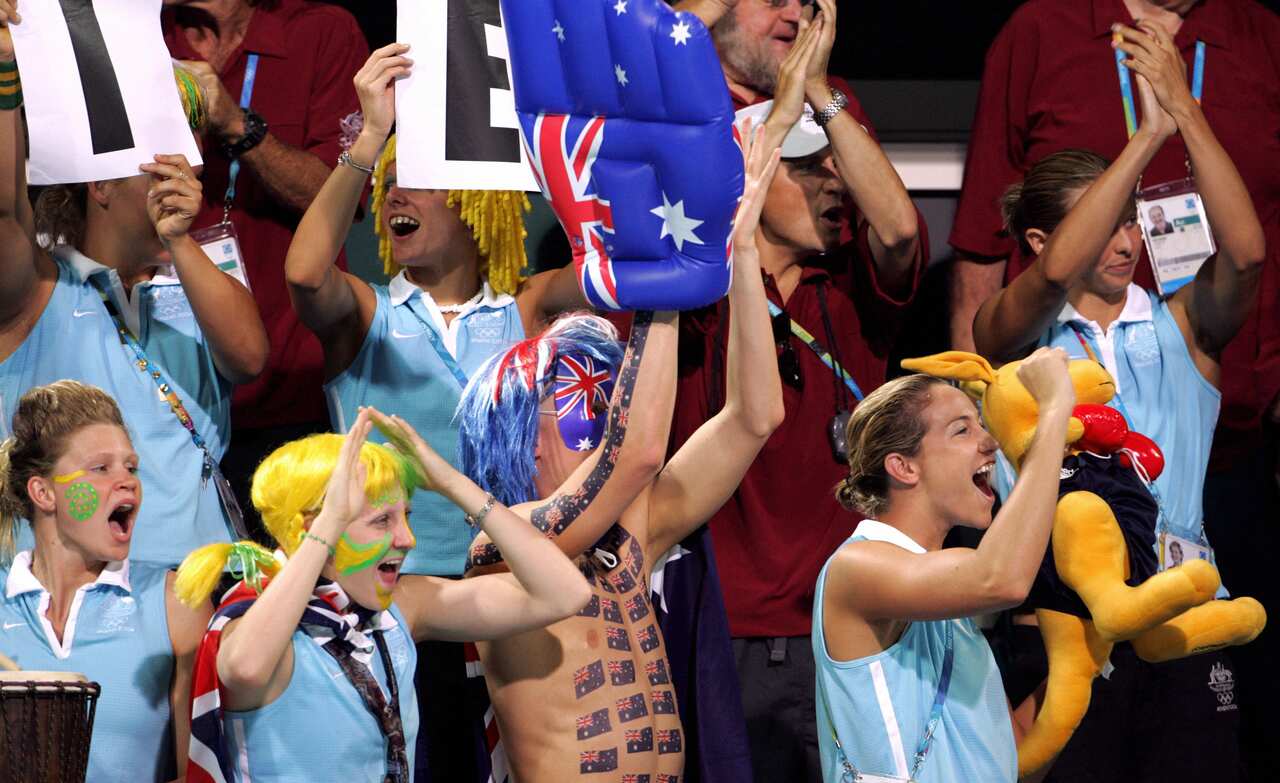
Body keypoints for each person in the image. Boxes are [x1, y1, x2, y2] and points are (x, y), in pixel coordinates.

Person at [949, 6, 1280, 767]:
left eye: (1131, 219)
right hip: (1061, 631)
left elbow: (1250, 252)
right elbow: (1059, 272)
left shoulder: (1183, 327)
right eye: (1106, 220)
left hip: (1180, 625)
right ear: (1037, 240)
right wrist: (1144, 139)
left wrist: (1184, 115)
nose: (1126, 239)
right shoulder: (1018, 333)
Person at [636, 11, 924, 780]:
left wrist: (817, 88)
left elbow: (897, 228)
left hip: (848, 628)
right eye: (808, 168)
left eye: (836, 166)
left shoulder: (856, 293)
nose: (834, 183)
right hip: (718, 634)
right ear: (751, 179)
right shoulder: (701, 293)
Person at [456, 127, 785, 782]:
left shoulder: (628, 536)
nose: (601, 412)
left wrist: (742, 253)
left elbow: (754, 417)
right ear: (520, 432)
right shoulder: (503, 545)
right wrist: (663, 283)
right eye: (582, 400)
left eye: (605, 396)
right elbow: (633, 455)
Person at [174, 408, 590, 781]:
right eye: (381, 521)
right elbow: (244, 669)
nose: (407, 539)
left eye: (405, 517)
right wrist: (329, 522)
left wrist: (451, 483)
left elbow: (563, 593)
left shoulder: (401, 608)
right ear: (314, 530)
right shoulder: (253, 618)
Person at [0, 4, 268, 566]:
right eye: (161, 170)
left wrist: (177, 239)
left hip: (201, 590)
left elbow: (248, 356)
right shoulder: (39, 287)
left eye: (190, 173)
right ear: (101, 184)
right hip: (70, 592)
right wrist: (4, 78)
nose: (182, 184)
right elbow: (4, 215)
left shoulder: (197, 276)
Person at [814, 347, 1075, 782]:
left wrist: (1079, 662)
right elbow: (1003, 578)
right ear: (903, 466)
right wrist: (1053, 411)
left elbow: (1011, 758)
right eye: (962, 430)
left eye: (982, 424)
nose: (989, 441)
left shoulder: (951, 602)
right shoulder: (858, 567)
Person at [162, 0, 371, 534]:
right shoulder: (129, 31)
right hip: (161, 397)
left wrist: (234, 123)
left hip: (291, 395)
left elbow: (339, 198)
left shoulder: (321, 33)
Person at [0, 381, 212, 782]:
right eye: (101, 468)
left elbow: (199, 774)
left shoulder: (176, 604)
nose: (128, 481)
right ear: (44, 493)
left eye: (130, 467)